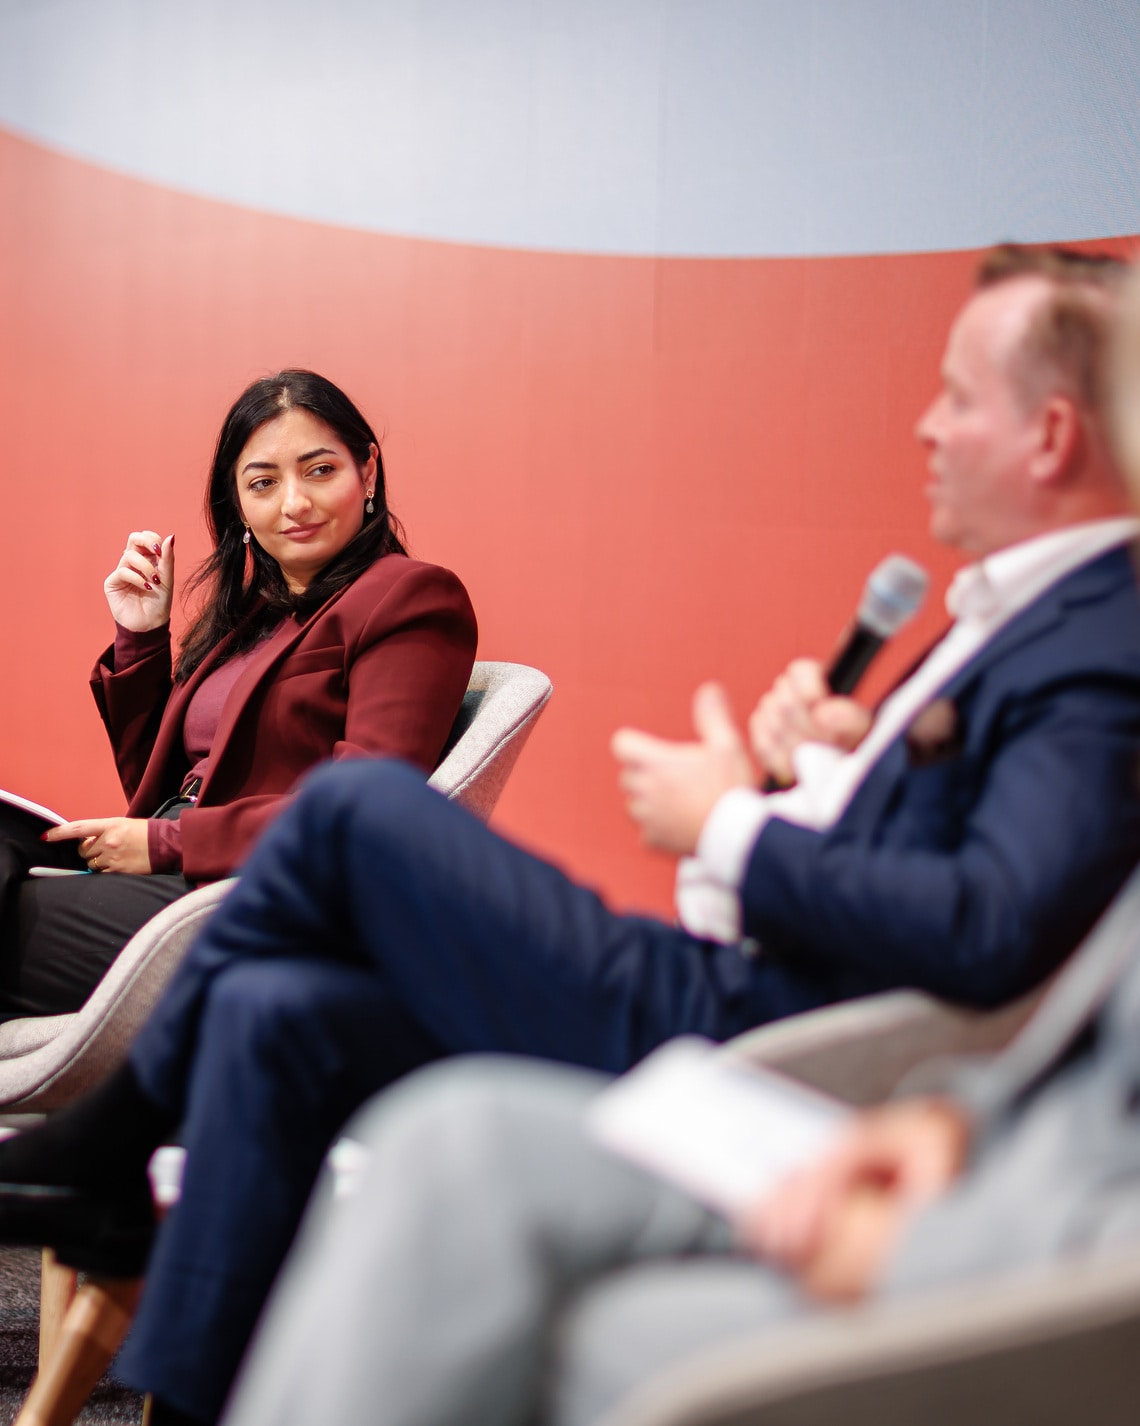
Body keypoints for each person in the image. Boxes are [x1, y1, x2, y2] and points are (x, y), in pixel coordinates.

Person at [1, 246, 1140, 1426]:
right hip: (738, 973)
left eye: (956, 396)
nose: (927, 427)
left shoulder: (1099, 642)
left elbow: (995, 925)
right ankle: (183, 1389)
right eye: (261, 480)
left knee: (355, 807)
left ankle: (106, 1146)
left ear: (1051, 435)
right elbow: (969, 864)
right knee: (271, 1013)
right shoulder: (1021, 623)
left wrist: (736, 825)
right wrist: (827, 774)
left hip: (753, 1021)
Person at [0, 368, 477, 1017]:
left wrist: (170, 845)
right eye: (263, 483)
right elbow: (157, 786)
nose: (294, 504)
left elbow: (366, 813)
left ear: (367, 473)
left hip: (246, 906)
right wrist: (143, 638)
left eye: (319, 471)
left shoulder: (409, 596)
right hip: (173, 880)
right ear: (238, 507)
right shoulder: (253, 615)